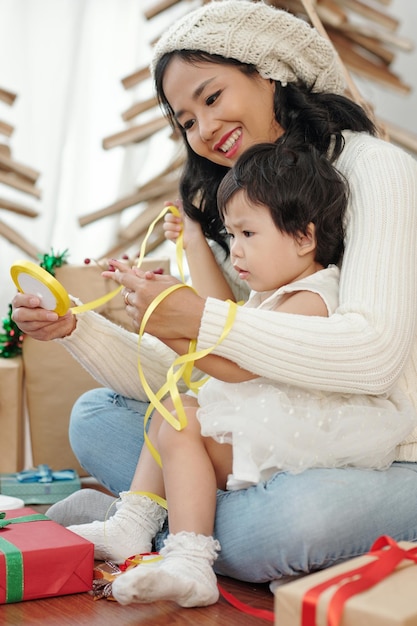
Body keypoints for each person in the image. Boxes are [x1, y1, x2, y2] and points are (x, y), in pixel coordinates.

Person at [12, 0, 417, 590]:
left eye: (211, 97)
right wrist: (81, 326)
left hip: (388, 452)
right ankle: (175, 531)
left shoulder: (375, 168)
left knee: (271, 530)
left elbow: (372, 355)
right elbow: (214, 379)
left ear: (269, 70)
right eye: (185, 120)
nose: (202, 128)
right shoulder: (248, 208)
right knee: (96, 414)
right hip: (267, 431)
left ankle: (150, 525)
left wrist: (196, 320)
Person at [68, 140, 415, 608]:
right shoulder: (274, 290)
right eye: (231, 236)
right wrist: (188, 251)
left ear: (303, 237)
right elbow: (217, 312)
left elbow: (236, 368)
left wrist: (173, 330)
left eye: (248, 234)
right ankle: (136, 524)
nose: (237, 253)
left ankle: (187, 553)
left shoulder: (314, 297)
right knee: (170, 414)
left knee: (179, 417)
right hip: (260, 424)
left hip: (298, 441)